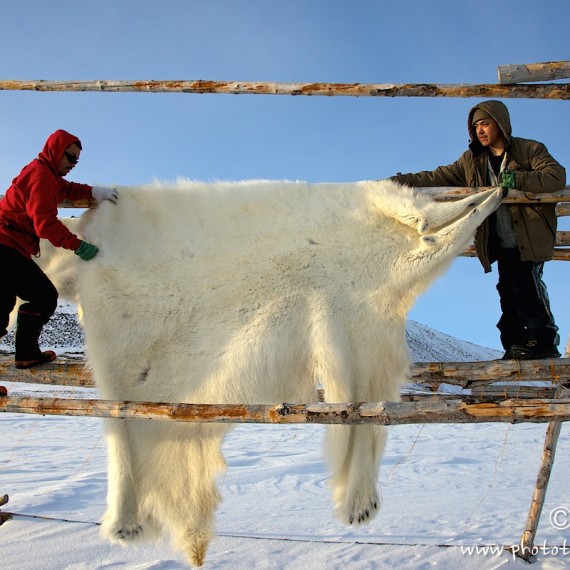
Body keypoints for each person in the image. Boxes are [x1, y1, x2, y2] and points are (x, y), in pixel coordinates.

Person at [391, 100, 566, 360]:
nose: (480, 131)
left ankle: (543, 342)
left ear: (500, 124)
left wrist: (518, 180)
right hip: (500, 239)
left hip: (528, 237)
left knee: (527, 286)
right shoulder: (472, 160)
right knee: (507, 291)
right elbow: (439, 175)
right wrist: (401, 181)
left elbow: (556, 176)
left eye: (485, 123)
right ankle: (515, 345)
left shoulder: (529, 150)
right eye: (475, 127)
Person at [0, 129, 118, 368]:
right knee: (43, 296)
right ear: (55, 150)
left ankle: (26, 354)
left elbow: (68, 190)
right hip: (5, 247)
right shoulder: (41, 177)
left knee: (10, 304)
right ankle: (26, 352)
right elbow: (46, 226)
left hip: (10, 248)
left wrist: (95, 193)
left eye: (77, 159)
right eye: (70, 157)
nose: (73, 163)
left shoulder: (47, 175)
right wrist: (79, 246)